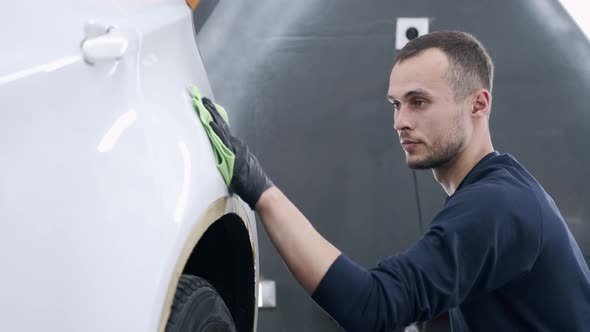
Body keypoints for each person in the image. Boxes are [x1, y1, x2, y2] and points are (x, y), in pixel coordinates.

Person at [203, 31, 590, 331]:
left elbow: (372, 308)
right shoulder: (498, 190)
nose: (400, 120)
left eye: (418, 102)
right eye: (396, 104)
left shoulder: (495, 205)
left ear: (478, 104)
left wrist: (262, 193)